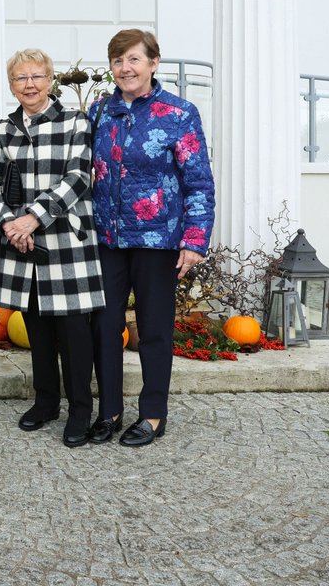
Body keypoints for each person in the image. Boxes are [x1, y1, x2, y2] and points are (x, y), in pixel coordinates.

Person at [88, 30, 215, 447]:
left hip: (159, 240)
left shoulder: (178, 113)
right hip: (108, 239)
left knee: (154, 328)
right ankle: (108, 410)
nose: (125, 68)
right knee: (105, 327)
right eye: (118, 61)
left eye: (134, 60)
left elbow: (198, 181)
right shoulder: (98, 112)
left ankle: (153, 414)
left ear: (154, 63)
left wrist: (195, 240)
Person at [0, 48, 104, 448]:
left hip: (66, 242)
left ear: (50, 80)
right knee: (36, 328)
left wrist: (32, 217)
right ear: (11, 84)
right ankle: (46, 401)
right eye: (20, 78)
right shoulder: (3, 130)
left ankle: (81, 409)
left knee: (73, 333)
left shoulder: (74, 121)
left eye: (36, 76)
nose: (29, 84)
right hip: (22, 245)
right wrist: (9, 224)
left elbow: (78, 177)